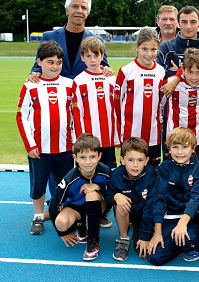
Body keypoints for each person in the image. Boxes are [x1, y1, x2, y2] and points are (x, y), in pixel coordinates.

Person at [17, 41, 74, 235]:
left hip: (65, 148)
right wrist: (30, 145)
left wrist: (74, 142)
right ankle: (38, 216)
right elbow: (22, 116)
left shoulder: (69, 84)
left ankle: (61, 213)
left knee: (65, 185)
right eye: (50, 62)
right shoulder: (30, 86)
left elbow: (75, 115)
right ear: (39, 62)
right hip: (39, 149)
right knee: (38, 185)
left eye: (58, 62)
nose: (55, 66)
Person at [146, 127, 199, 266]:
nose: (180, 152)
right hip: (170, 217)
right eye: (175, 147)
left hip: (190, 217)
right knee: (154, 258)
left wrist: (182, 224)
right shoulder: (164, 167)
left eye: (185, 147)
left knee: (187, 240)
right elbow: (159, 199)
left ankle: (196, 238)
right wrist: (157, 233)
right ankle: (176, 242)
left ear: (193, 149)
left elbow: (195, 197)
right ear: (169, 149)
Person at [49, 134, 110, 261]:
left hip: (98, 206)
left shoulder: (106, 172)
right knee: (61, 223)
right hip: (75, 208)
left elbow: (113, 194)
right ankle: (82, 228)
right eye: (82, 157)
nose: (88, 162)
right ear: (75, 158)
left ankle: (93, 243)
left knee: (92, 194)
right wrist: (62, 233)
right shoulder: (70, 178)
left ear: (99, 156)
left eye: (92, 157)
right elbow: (54, 203)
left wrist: (97, 187)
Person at [114, 27, 165, 167]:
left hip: (153, 135)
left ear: (158, 47)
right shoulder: (126, 71)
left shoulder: (161, 71)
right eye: (144, 49)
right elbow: (116, 103)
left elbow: (161, 102)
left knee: (152, 172)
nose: (149, 54)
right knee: (131, 171)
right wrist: (118, 133)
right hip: (130, 134)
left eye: (153, 49)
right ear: (137, 47)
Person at [29, 0, 110, 81]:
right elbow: (38, 65)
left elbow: (104, 66)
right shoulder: (49, 37)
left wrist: (107, 70)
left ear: (88, 12)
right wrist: (34, 73)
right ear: (67, 10)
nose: (79, 11)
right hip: (58, 92)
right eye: (75, 6)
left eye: (84, 8)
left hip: (84, 92)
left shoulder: (97, 40)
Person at [107, 137, 157, 262]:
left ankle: (138, 228)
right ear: (122, 160)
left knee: (142, 249)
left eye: (140, 160)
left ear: (146, 161)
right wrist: (115, 196)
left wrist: (145, 237)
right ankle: (124, 239)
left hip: (144, 213)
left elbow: (151, 207)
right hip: (126, 211)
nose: (135, 165)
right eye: (130, 160)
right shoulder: (116, 175)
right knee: (121, 204)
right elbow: (107, 196)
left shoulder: (151, 175)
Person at [162, 48, 199, 158]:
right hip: (174, 137)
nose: (194, 77)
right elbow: (160, 104)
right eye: (190, 72)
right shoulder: (171, 83)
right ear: (183, 70)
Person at [72, 36, 118, 168]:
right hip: (88, 142)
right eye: (88, 56)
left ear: (102, 56)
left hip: (108, 139)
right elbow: (77, 112)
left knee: (108, 175)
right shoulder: (79, 81)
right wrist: (80, 139)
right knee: (87, 175)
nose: (92, 60)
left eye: (96, 55)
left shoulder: (111, 79)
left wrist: (116, 136)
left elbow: (117, 109)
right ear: (82, 57)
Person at [156, 5, 199, 78]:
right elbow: (160, 76)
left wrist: (177, 73)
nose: (188, 26)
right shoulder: (166, 47)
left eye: (193, 22)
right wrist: (198, 72)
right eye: (184, 22)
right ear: (178, 23)